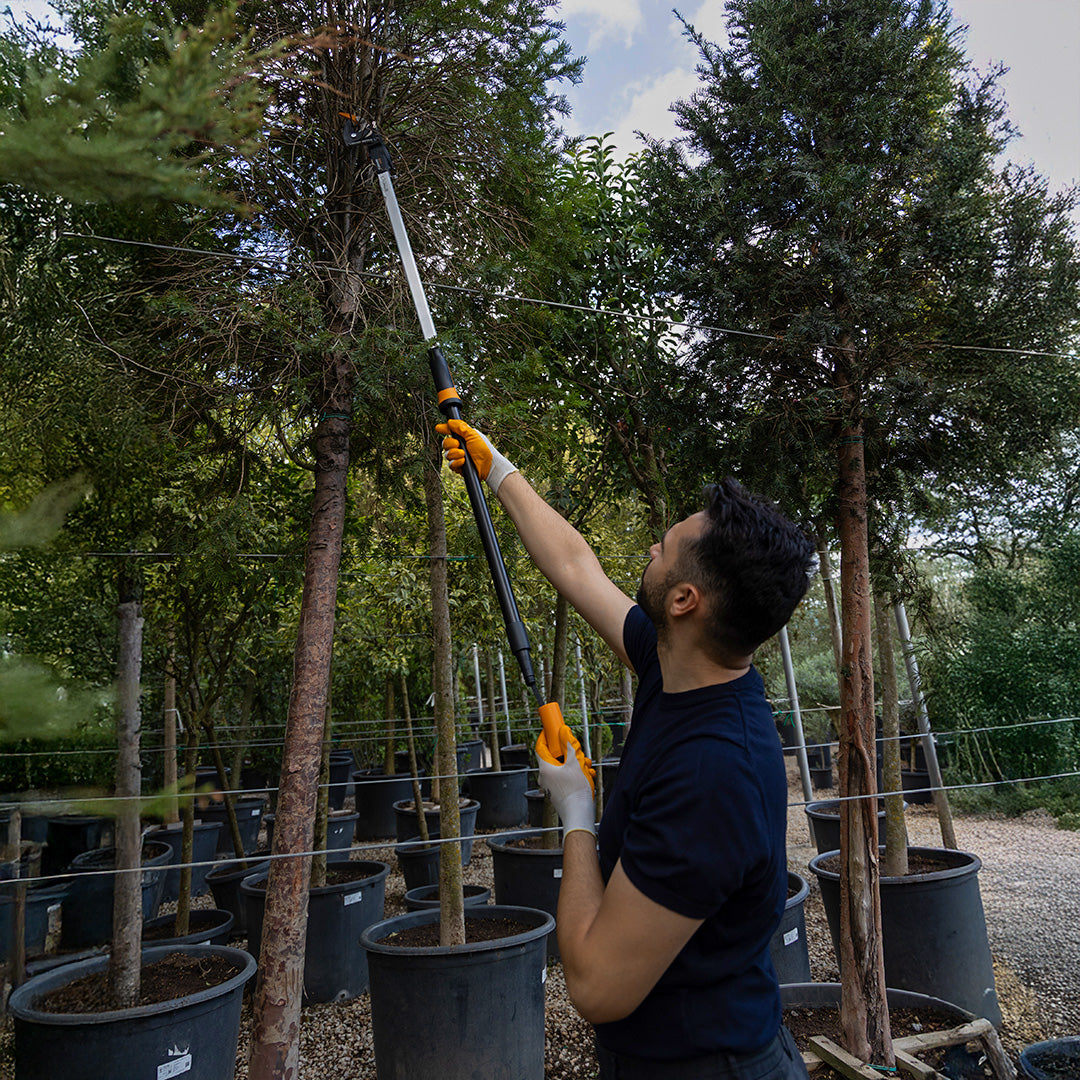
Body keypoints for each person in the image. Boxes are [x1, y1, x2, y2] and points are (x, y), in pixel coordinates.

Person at [439, 417, 815, 1080]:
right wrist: (496, 468)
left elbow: (595, 986)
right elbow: (576, 566)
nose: (649, 547)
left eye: (662, 548)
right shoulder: (676, 664)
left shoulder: (714, 772)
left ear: (683, 600)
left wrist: (577, 813)